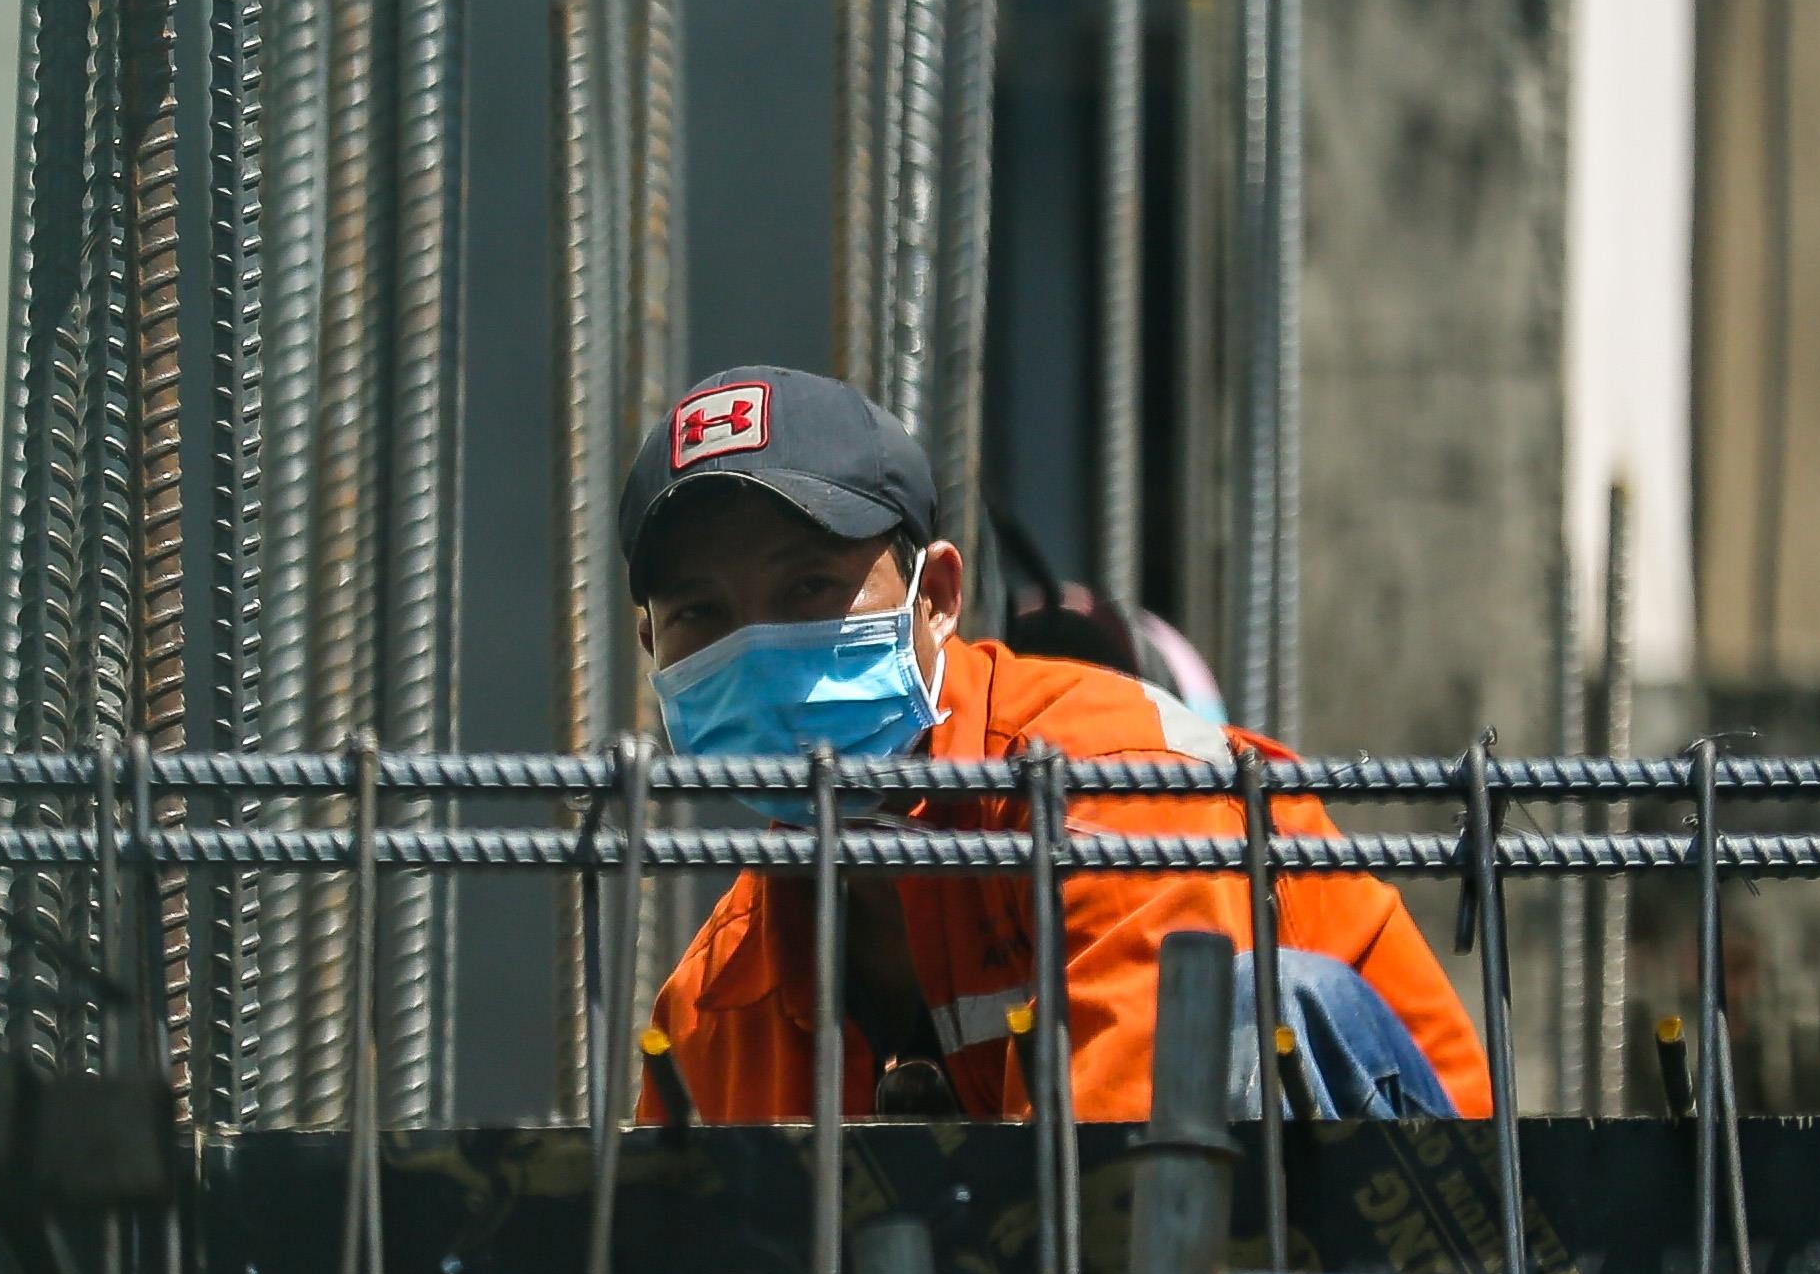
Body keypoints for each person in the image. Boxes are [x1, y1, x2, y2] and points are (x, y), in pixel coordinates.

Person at [617, 365, 1491, 1124]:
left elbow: (1113, 1199)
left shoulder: (1112, 779)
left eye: (808, 587)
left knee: (1242, 1005)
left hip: (1421, 1258)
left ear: (939, 596)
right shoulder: (718, 1000)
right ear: (653, 650)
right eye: (701, 613)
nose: (758, 645)